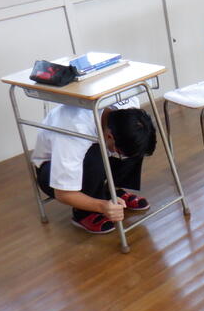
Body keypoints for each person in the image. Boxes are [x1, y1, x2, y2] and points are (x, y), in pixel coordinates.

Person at [32, 97, 156, 234]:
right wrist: (102, 206)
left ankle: (112, 191)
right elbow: (62, 193)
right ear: (109, 136)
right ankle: (83, 213)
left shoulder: (128, 105)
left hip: (93, 148)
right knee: (96, 154)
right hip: (51, 171)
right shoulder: (75, 130)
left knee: (137, 144)